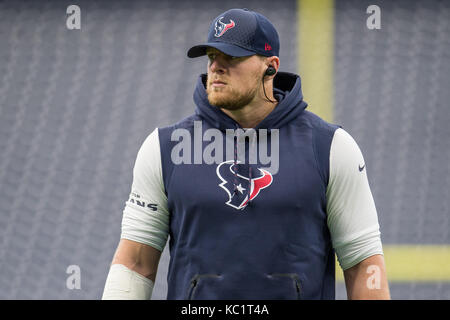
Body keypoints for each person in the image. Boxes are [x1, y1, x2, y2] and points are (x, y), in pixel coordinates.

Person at [102, 8, 390, 300]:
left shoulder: (330, 148)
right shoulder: (165, 148)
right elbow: (135, 263)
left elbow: (364, 265)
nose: (216, 66)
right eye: (213, 56)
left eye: (232, 57)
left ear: (270, 66)